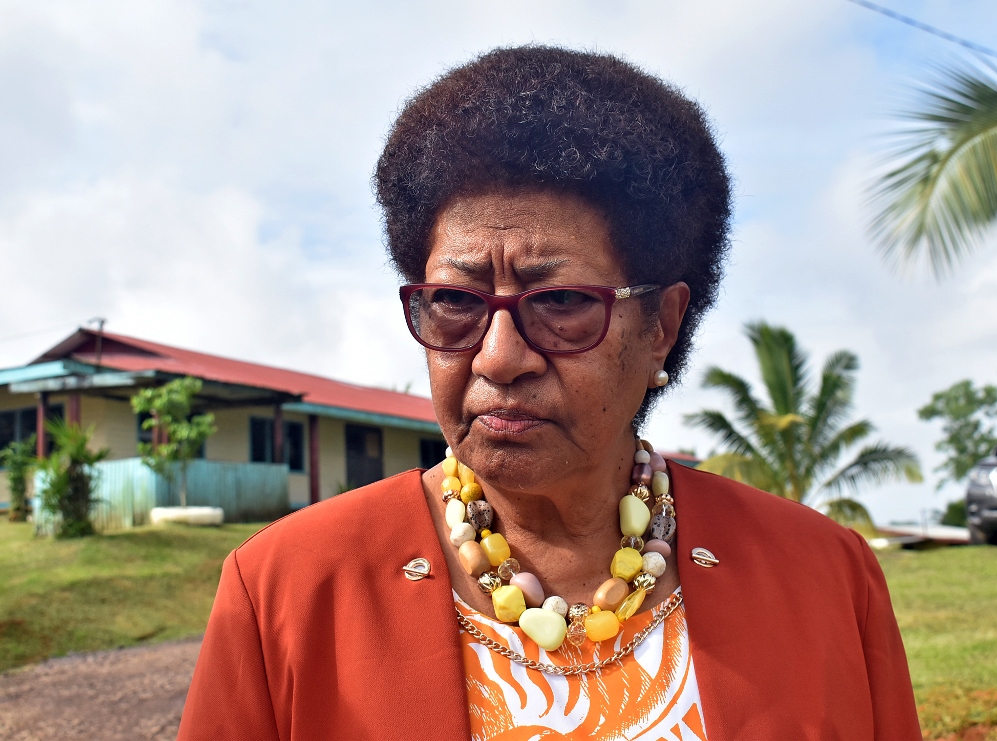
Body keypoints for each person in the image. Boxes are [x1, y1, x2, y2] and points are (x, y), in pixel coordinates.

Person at [178, 46, 921, 740]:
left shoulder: (825, 579)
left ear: (660, 327)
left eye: (561, 302)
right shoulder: (284, 593)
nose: (498, 357)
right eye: (456, 301)